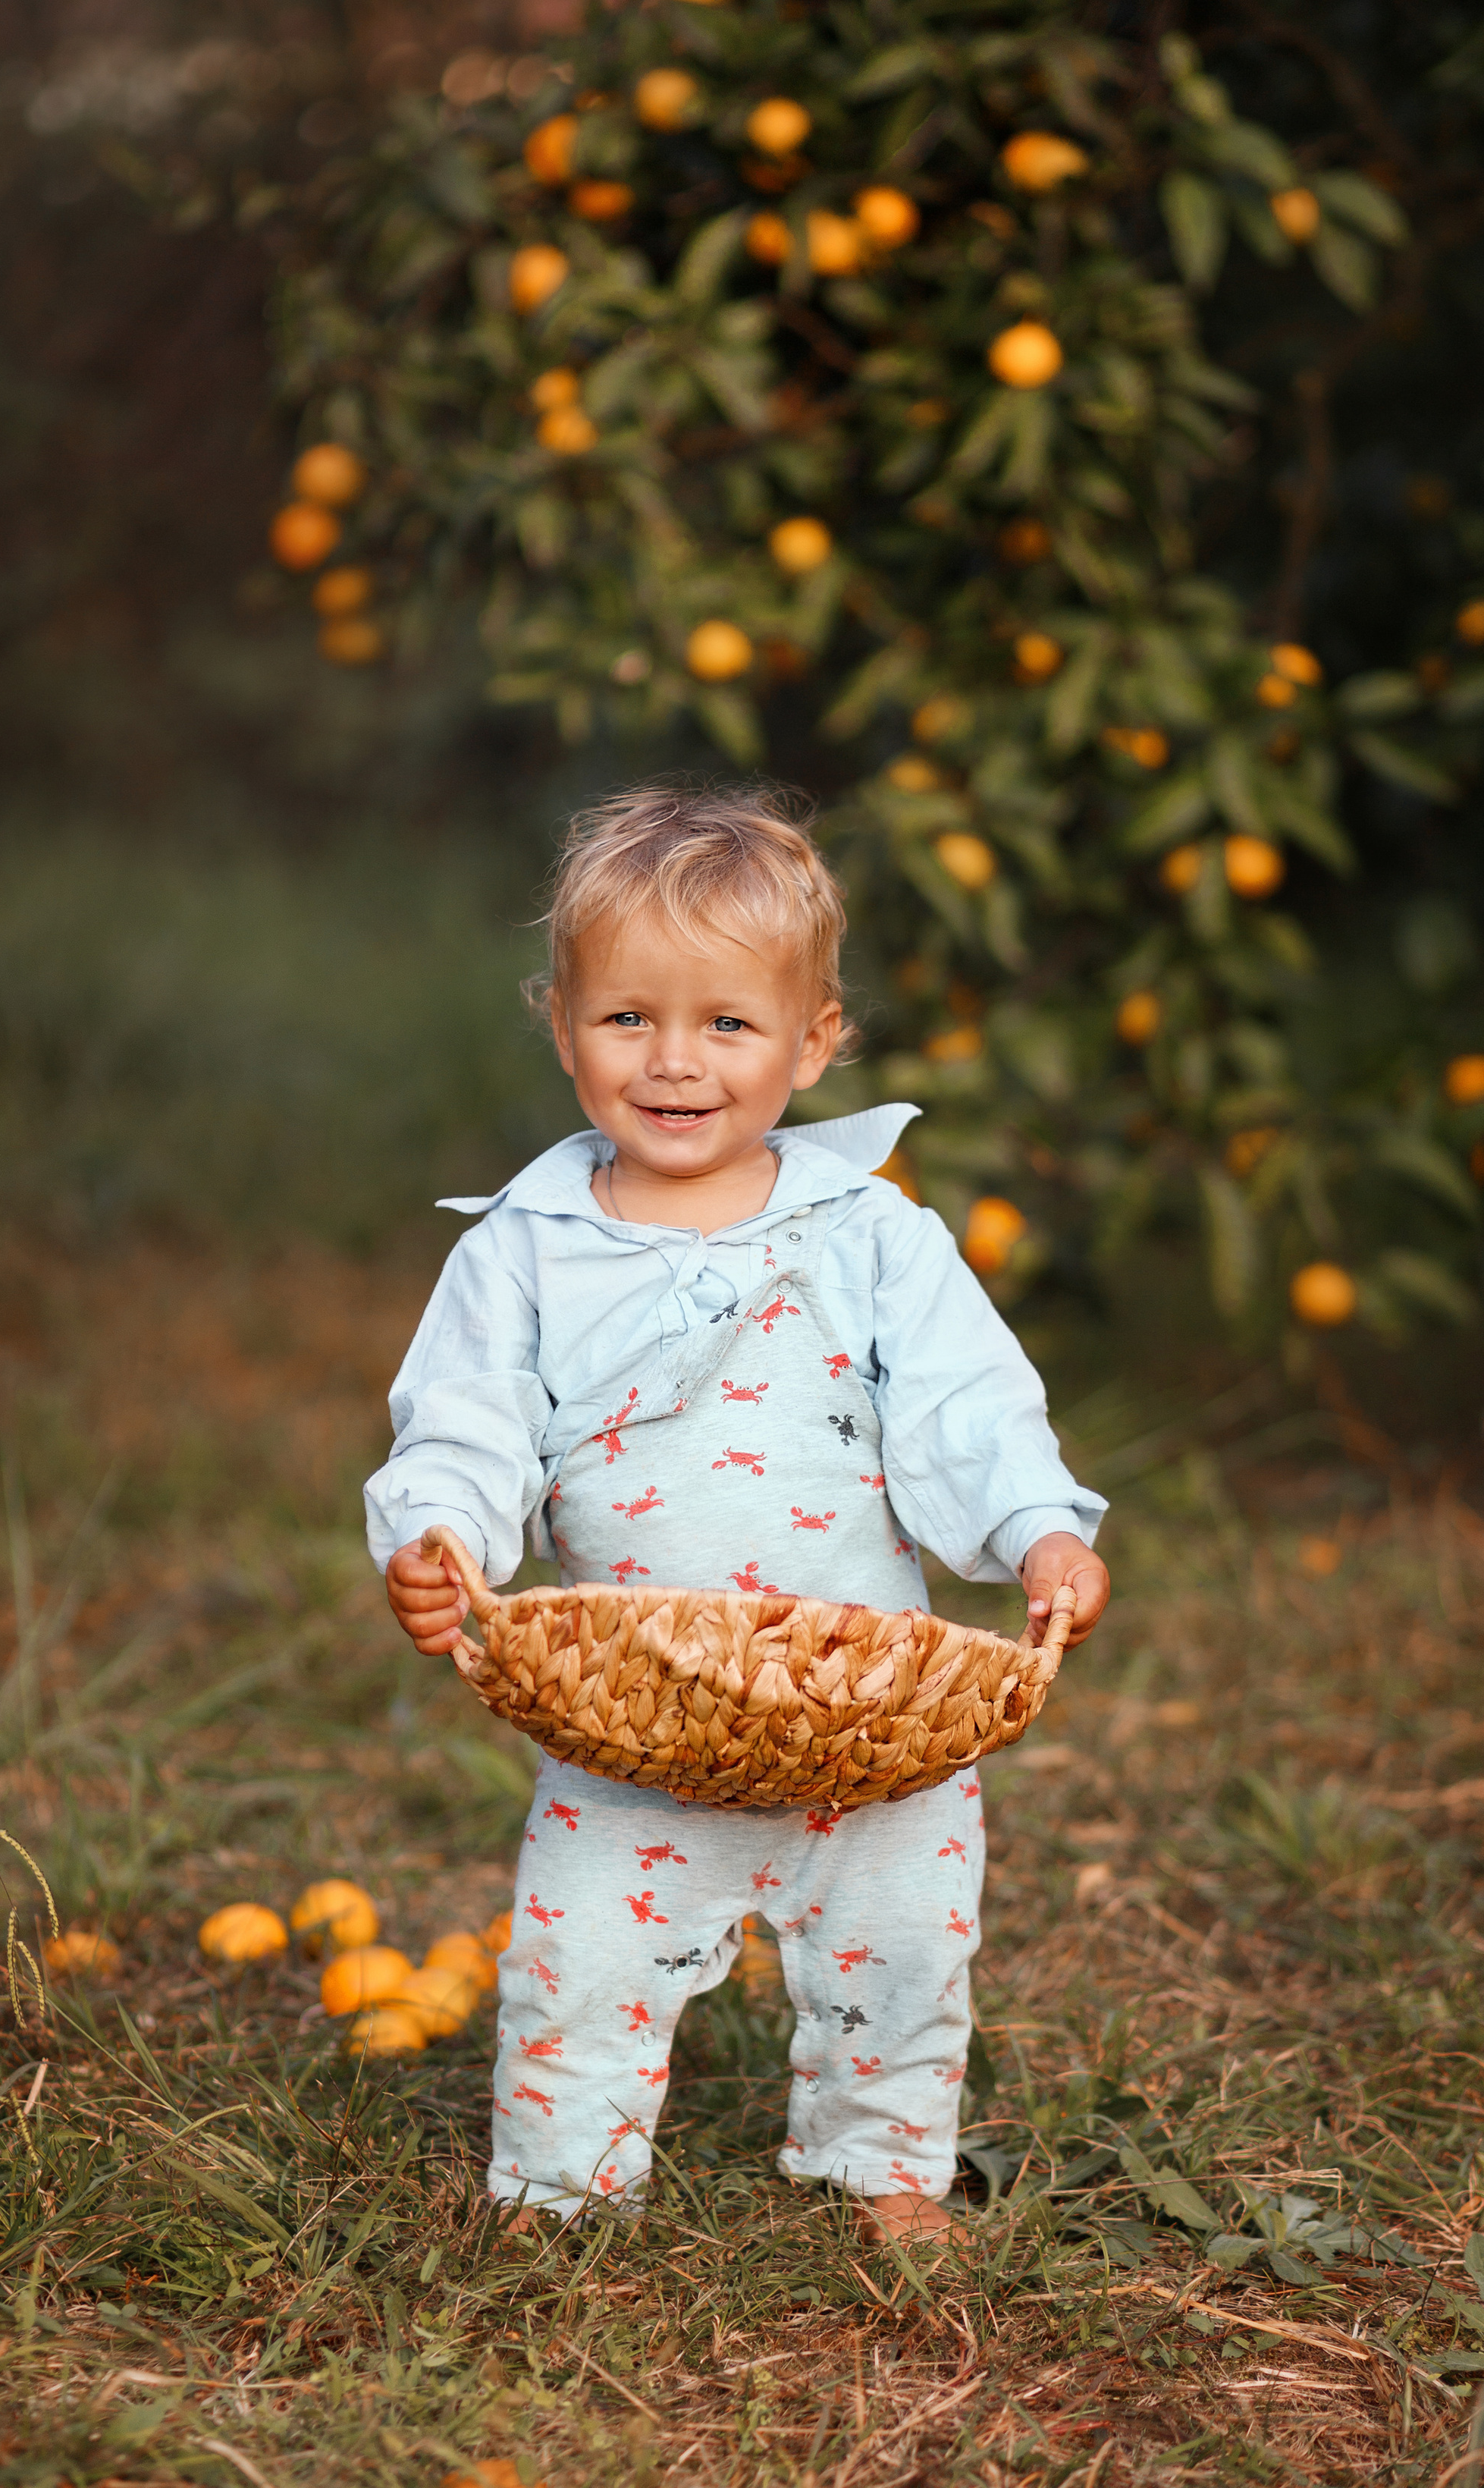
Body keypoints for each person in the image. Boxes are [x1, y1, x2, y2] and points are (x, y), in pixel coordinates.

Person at [365, 782, 1109, 2241]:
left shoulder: (872, 1234)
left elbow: (966, 1404)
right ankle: (561, 2186)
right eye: (626, 1016)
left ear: (813, 1041)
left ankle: (884, 2164)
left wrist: (1038, 1528)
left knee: (904, 1949)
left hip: (866, 1709)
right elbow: (466, 1416)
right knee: (579, 1958)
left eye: (726, 1023)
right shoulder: (528, 1248)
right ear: (561, 1023)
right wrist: (441, 1532)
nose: (674, 1061)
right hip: (635, 1711)